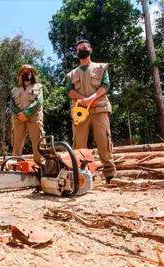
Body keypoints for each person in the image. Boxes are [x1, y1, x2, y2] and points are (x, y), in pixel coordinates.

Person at [66, 39, 115, 183]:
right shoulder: (72, 74)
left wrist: (92, 98)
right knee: (79, 145)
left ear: (91, 50)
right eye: (80, 48)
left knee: (104, 141)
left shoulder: (101, 67)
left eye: (85, 47)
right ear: (76, 53)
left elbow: (106, 85)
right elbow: (70, 91)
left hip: (100, 109)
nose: (83, 49)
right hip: (80, 111)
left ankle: (110, 175)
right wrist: (83, 100)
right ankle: (81, 176)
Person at [10, 65, 45, 166]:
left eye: (29, 71)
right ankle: (16, 164)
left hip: (34, 117)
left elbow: (39, 102)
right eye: (24, 71)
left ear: (33, 74)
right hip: (18, 118)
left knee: (38, 141)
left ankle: (40, 163)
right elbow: (12, 105)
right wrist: (19, 114)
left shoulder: (38, 86)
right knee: (17, 142)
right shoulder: (14, 90)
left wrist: (27, 113)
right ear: (20, 75)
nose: (27, 73)